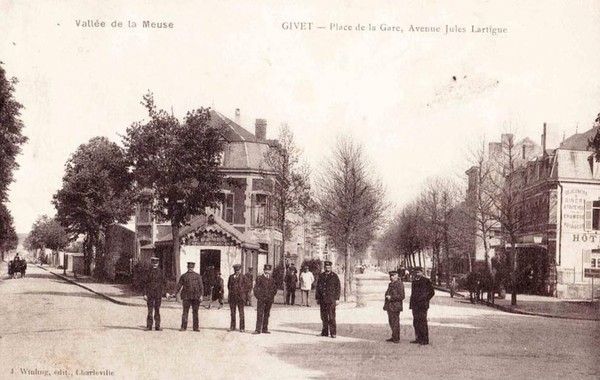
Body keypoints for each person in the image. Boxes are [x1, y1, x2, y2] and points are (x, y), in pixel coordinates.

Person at [409, 267, 435, 345]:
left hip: (422, 305)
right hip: (415, 305)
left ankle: (425, 339)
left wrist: (426, 299)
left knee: (422, 321)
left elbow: (432, 292)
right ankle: (418, 338)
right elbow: (412, 294)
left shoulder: (426, 281)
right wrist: (411, 304)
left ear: (422, 272)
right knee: (416, 322)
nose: (417, 274)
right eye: (416, 272)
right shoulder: (414, 282)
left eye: (418, 272)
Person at [176, 262, 204, 331]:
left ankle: (196, 327)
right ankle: (183, 327)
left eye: (191, 267)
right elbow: (179, 285)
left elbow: (201, 287)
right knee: (185, 312)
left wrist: (201, 295)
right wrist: (174, 293)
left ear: (193, 268)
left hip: (196, 297)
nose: (190, 269)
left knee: (195, 312)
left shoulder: (198, 276)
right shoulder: (183, 276)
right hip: (186, 297)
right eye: (189, 267)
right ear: (187, 267)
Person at [315, 261, 340, 338]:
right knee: (323, 316)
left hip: (331, 300)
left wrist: (337, 299)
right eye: (326, 267)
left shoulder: (334, 276)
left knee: (331, 316)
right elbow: (318, 287)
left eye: (329, 267)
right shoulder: (321, 276)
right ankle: (325, 332)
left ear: (331, 267)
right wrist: (317, 298)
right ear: (324, 267)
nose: (327, 268)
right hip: (323, 300)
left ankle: (333, 333)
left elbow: (338, 288)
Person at [253, 264, 277, 334]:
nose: (267, 271)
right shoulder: (259, 278)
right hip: (261, 299)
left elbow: (275, 289)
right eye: (266, 270)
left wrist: (272, 296)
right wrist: (258, 297)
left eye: (268, 270)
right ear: (264, 270)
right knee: (259, 313)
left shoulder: (272, 279)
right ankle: (257, 329)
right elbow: (255, 289)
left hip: (269, 300)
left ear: (270, 271)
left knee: (267, 314)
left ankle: (264, 329)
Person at [144, 257, 165, 331]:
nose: (155, 264)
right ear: (151, 263)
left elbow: (164, 283)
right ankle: (149, 326)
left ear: (158, 263)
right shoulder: (148, 272)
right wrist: (145, 294)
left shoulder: (161, 272)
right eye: (153, 263)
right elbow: (145, 283)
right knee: (150, 310)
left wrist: (166, 292)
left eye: (156, 263)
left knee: (157, 310)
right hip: (150, 294)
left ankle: (157, 326)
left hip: (158, 294)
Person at [384, 270, 405, 343]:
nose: (391, 277)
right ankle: (393, 336)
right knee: (391, 322)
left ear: (397, 276)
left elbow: (402, 296)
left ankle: (396, 338)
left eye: (393, 276)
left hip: (396, 306)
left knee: (395, 322)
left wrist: (391, 297)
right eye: (390, 276)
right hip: (389, 306)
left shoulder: (400, 284)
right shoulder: (390, 284)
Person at [227, 264, 246, 332]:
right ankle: (232, 326)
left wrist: (243, 294)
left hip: (240, 298)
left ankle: (242, 327)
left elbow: (247, 287)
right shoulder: (231, 277)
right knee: (232, 313)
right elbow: (229, 286)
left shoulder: (243, 277)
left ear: (240, 270)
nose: (237, 271)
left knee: (241, 313)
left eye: (238, 270)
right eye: (236, 270)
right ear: (234, 270)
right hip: (232, 297)